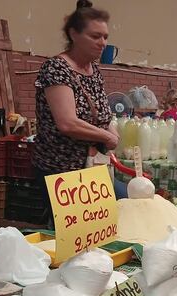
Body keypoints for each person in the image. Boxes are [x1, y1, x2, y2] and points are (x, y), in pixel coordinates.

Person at [32, 0, 121, 223]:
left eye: (105, 37)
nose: (102, 43)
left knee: (100, 227)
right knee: (70, 236)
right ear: (73, 34)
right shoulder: (56, 68)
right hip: (62, 172)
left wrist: (111, 130)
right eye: (95, 36)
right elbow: (67, 123)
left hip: (92, 169)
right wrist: (107, 136)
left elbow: (102, 112)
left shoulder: (94, 71)